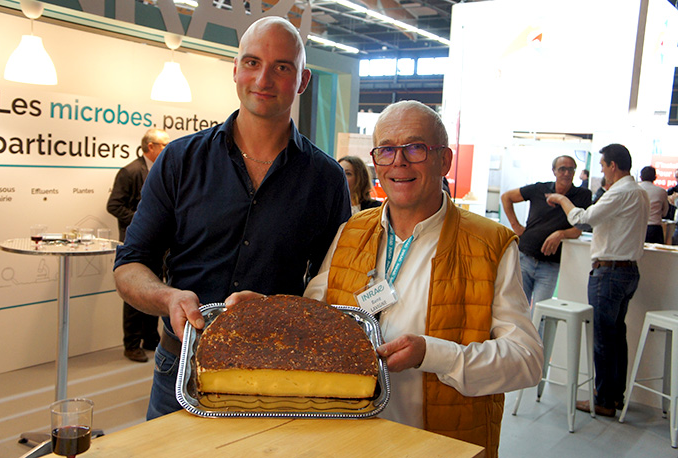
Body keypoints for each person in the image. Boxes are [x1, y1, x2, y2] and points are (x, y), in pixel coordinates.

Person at [230, 101, 543, 457]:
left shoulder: (490, 245)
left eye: (415, 148)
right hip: (349, 438)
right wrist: (272, 313)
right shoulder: (352, 230)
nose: (399, 162)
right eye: (387, 150)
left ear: (445, 160)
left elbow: (527, 359)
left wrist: (434, 354)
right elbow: (316, 316)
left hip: (437, 444)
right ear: (376, 162)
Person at [112, 17, 351, 420]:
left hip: (278, 372)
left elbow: (339, 285)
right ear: (236, 70)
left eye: (282, 66)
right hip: (182, 368)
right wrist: (168, 297)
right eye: (253, 62)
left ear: (303, 80)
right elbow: (130, 265)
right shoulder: (179, 160)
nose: (263, 78)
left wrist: (283, 310)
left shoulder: (326, 178)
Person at [546, 143, 649, 418]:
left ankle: (603, 399)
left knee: (604, 338)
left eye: (603, 166)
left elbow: (583, 219)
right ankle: (615, 395)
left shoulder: (621, 192)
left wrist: (561, 199)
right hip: (628, 272)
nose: (602, 171)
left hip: (610, 273)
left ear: (613, 166)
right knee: (617, 336)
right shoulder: (638, 192)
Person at [106, 129, 169, 362]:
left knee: (154, 289)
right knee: (134, 292)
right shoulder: (130, 171)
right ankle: (131, 344)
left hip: (159, 244)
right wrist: (143, 222)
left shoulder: (163, 171)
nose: (167, 148)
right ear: (150, 146)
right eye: (164, 144)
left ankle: (150, 338)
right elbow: (114, 205)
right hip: (136, 243)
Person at [501, 156, 591, 318]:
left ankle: (537, 344)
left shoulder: (582, 195)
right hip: (525, 257)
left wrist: (561, 234)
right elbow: (506, 197)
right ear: (554, 171)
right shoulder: (539, 189)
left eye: (571, 169)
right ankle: (516, 343)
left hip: (550, 264)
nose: (566, 173)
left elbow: (577, 230)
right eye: (562, 169)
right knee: (517, 309)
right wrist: (516, 226)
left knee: (540, 314)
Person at [638, 166, 669, 244]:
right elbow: (665, 212)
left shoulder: (636, 190)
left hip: (638, 227)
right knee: (657, 255)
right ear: (655, 177)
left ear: (641, 177)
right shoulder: (661, 191)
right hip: (655, 228)